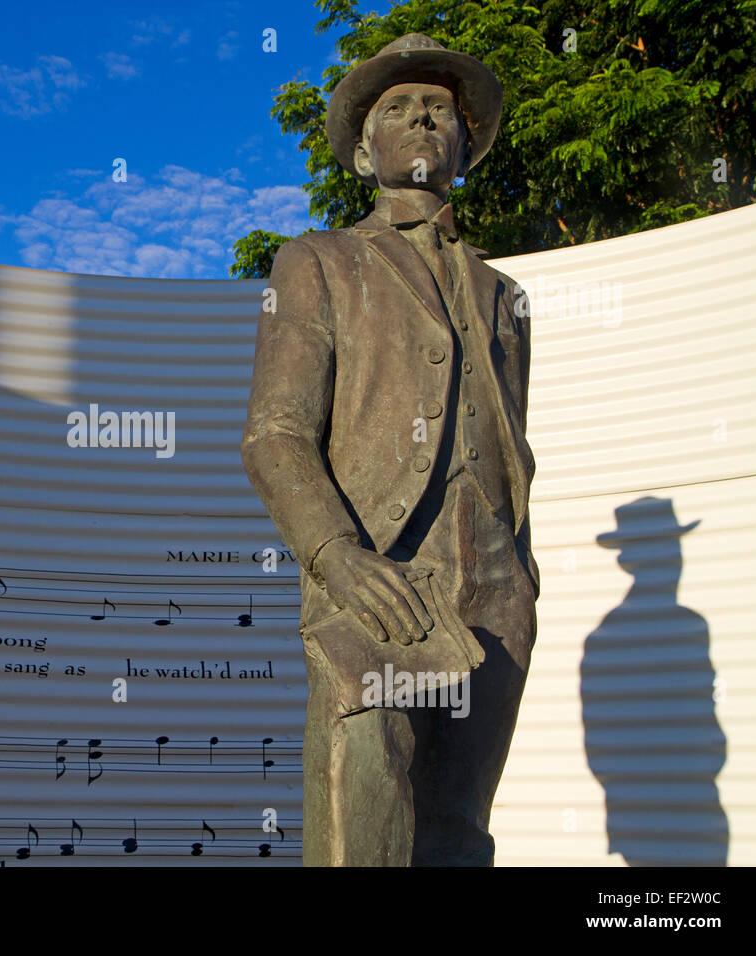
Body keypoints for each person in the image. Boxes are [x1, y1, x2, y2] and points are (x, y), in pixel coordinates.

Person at [241, 33, 539, 866]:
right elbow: (275, 435)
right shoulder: (317, 262)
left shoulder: (505, 296)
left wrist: (521, 567)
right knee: (363, 829)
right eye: (398, 109)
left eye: (439, 110)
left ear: (465, 146)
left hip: (497, 587)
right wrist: (338, 559)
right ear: (366, 155)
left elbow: (512, 441)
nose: (422, 120)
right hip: (376, 577)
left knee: (458, 831)